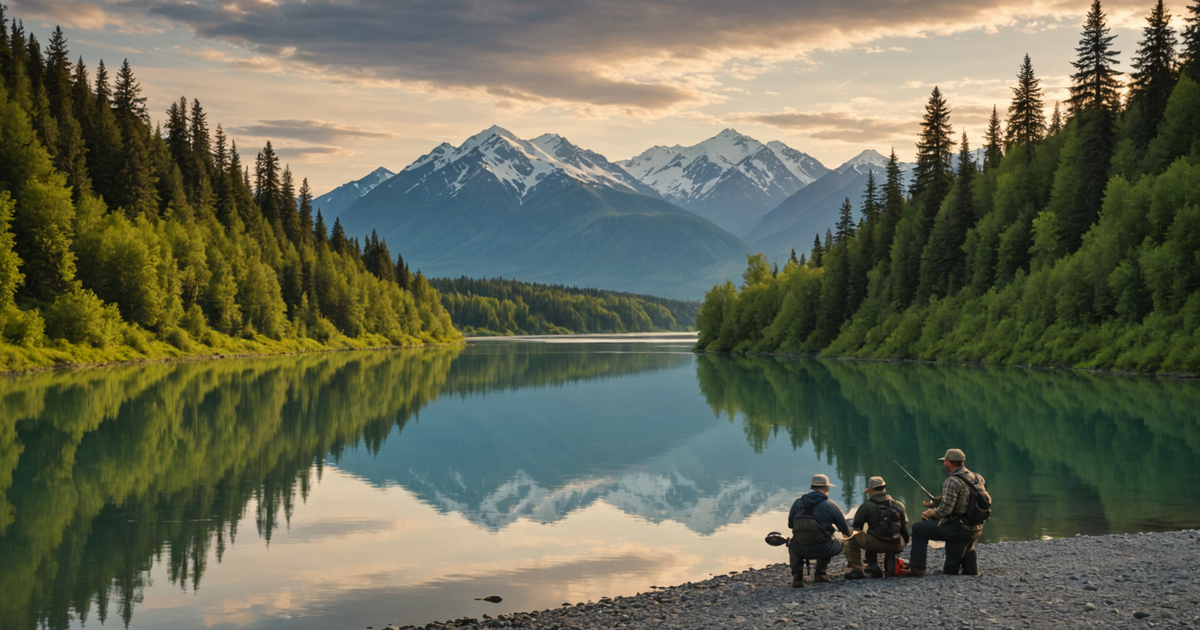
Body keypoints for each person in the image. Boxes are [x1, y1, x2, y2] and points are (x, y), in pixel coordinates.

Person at [909, 448, 986, 576]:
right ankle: (971, 570)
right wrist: (936, 503)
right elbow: (965, 500)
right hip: (976, 527)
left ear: (947, 462)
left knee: (918, 528)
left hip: (959, 529)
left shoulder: (952, 481)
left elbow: (944, 511)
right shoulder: (978, 478)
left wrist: (930, 513)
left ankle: (917, 569)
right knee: (960, 554)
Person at [787, 473, 851, 587]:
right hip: (823, 548)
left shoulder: (797, 503)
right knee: (837, 541)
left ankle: (797, 577)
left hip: (800, 548)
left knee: (792, 544)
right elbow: (845, 529)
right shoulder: (830, 505)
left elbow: (791, 525)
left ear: (812, 487)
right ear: (827, 488)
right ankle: (820, 574)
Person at [843, 476, 909, 580]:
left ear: (870, 490)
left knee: (852, 536)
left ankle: (861, 568)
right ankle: (890, 561)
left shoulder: (866, 506)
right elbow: (904, 525)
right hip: (896, 544)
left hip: (875, 544)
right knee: (884, 533)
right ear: (884, 489)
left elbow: (857, 526)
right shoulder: (898, 504)